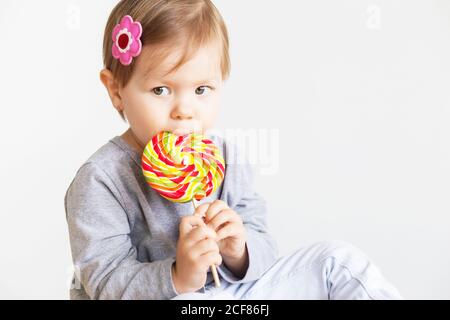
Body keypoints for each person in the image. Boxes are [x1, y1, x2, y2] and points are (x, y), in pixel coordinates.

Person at [64, 0, 402, 300]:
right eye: (161, 89)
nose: (185, 110)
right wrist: (179, 276)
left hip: (232, 293)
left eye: (202, 89)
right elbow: (103, 282)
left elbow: (266, 245)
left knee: (336, 262)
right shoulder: (101, 180)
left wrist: (238, 250)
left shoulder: (222, 158)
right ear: (116, 90)